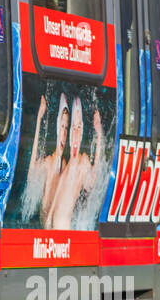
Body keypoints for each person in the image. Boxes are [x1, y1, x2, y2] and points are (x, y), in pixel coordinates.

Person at [47, 96, 104, 229]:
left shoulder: (82, 161)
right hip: (55, 231)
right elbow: (58, 192)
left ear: (83, 130)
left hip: (64, 230)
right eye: (73, 127)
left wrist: (99, 133)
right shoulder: (67, 164)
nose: (76, 132)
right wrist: (49, 216)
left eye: (79, 127)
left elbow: (94, 179)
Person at [27, 93, 70, 223]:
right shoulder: (49, 162)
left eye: (67, 128)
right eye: (62, 127)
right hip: (45, 225)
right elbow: (31, 175)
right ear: (57, 128)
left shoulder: (63, 163)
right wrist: (39, 120)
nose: (64, 133)